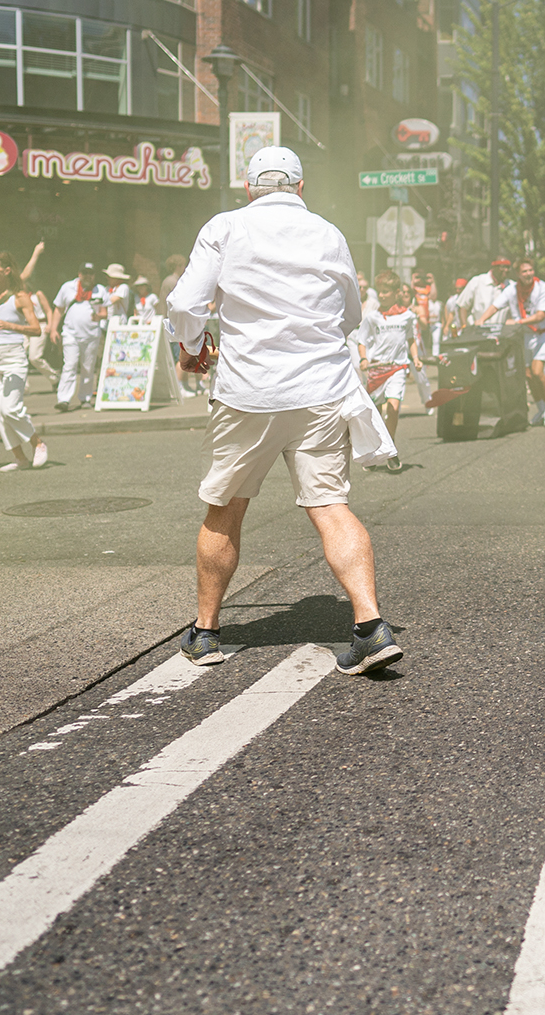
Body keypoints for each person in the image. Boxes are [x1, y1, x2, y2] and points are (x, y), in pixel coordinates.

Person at [167, 146, 401, 675]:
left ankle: (206, 633)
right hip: (320, 388)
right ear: (300, 187)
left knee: (226, 507)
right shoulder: (328, 232)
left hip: (248, 389)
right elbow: (350, 312)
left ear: (249, 187)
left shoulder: (225, 227)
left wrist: (192, 342)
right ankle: (369, 625)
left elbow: (185, 304)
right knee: (329, 505)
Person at [0, 251, 51, 472]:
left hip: (13, 358)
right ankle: (20, 459)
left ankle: (38, 444)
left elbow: (36, 329)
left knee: (10, 409)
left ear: (6, 270)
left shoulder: (20, 296)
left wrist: (10, 326)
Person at [357, 272, 421, 470]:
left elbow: (411, 340)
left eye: (386, 292)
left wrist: (416, 358)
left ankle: (390, 448)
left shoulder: (407, 316)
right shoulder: (372, 317)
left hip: (398, 368)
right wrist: (364, 359)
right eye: (381, 292)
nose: (382, 296)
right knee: (374, 413)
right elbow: (362, 341)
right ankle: (375, 450)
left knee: (393, 408)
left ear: (396, 293)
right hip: (377, 369)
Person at [485, 259, 545, 427]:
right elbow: (495, 306)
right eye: (524, 271)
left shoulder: (543, 288)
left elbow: (540, 315)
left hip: (542, 334)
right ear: (518, 274)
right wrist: (480, 320)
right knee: (528, 375)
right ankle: (540, 409)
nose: (528, 274)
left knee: (537, 371)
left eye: (530, 270)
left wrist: (517, 322)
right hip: (524, 336)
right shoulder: (512, 289)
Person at [49, 262, 106, 410]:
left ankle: (85, 398)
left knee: (88, 367)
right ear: (79, 274)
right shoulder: (67, 287)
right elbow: (58, 309)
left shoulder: (100, 290)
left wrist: (98, 317)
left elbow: (104, 312)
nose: (87, 276)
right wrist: (53, 329)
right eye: (84, 273)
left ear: (94, 275)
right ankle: (63, 399)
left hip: (91, 335)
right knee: (70, 365)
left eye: (90, 273)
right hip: (70, 333)